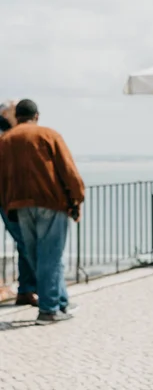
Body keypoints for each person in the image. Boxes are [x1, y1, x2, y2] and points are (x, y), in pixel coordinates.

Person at [0, 99, 85, 324]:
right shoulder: (48, 135)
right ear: (36, 115)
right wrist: (77, 200)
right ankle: (49, 310)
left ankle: (60, 302)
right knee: (51, 256)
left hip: (19, 206)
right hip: (50, 203)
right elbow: (68, 171)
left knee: (38, 256)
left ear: (16, 117)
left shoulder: (5, 140)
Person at [0, 100, 37, 306]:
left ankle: (26, 289)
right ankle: (28, 289)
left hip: (10, 197)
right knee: (25, 242)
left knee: (24, 242)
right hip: (8, 197)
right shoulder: (7, 136)